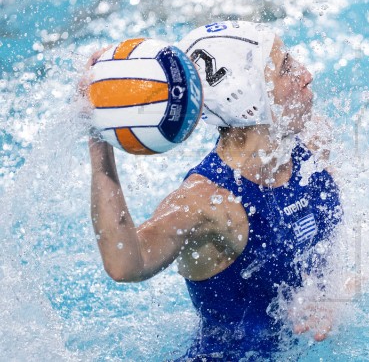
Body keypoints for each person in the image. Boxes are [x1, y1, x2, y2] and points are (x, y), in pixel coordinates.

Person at [85, 21, 342, 358]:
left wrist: (337, 298)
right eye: (285, 69)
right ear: (251, 100)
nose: (306, 75)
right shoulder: (206, 203)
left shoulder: (310, 143)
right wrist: (99, 142)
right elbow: (125, 263)